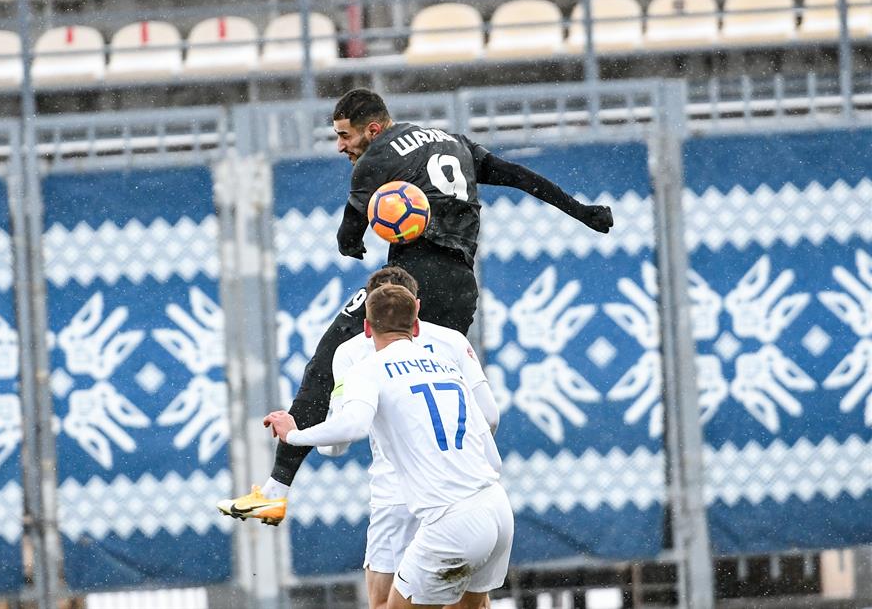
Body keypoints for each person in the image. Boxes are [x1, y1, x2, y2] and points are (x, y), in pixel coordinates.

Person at [217, 88, 612, 524]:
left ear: (373, 129)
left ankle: (280, 486)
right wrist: (582, 211)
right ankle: (468, 486)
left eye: (345, 135)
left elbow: (348, 237)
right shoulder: (455, 142)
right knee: (432, 386)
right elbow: (518, 175)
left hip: (408, 282)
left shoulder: (377, 158)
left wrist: (354, 241)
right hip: (460, 287)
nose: (341, 147)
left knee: (328, 359)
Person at [265, 284, 514, 609]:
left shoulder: (368, 369)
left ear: (367, 328)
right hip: (496, 506)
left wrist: (293, 435)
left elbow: (352, 426)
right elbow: (488, 438)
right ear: (415, 324)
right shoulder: (446, 364)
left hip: (452, 520)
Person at [325, 267, 501, 609]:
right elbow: (489, 416)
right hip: (460, 489)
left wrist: (299, 435)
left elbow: (337, 442)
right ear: (416, 306)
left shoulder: (351, 352)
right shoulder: (451, 341)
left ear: (368, 314)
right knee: (468, 603)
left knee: (384, 603)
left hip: (396, 494)